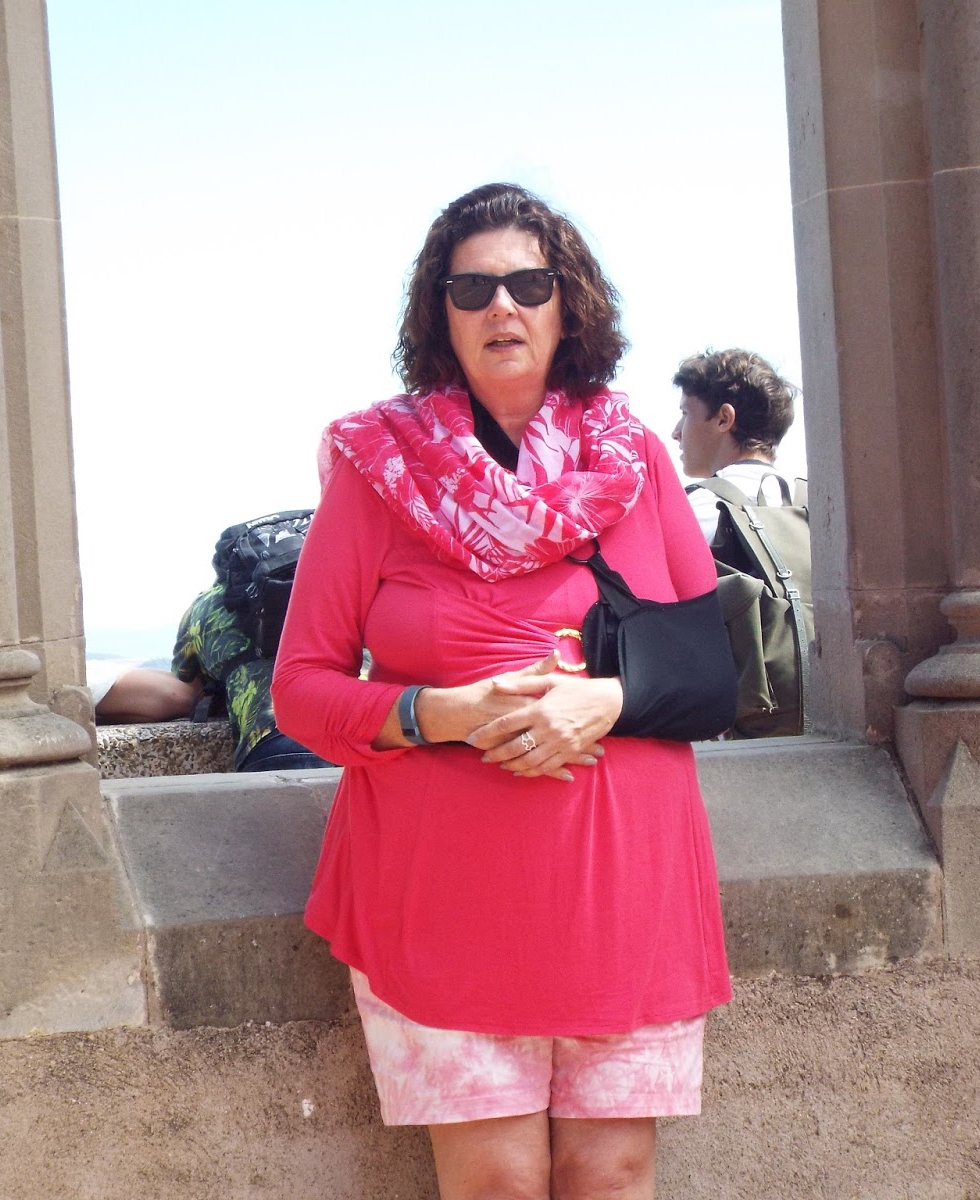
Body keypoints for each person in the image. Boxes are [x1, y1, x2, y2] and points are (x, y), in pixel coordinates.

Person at [272, 182, 731, 1200]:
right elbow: (299, 689)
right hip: (442, 894)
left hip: (623, 890)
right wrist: (436, 714)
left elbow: (710, 674)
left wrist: (605, 701)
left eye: (527, 284)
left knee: (612, 1174)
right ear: (439, 314)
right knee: (498, 1183)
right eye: (471, 289)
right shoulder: (376, 468)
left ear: (569, 303)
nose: (501, 307)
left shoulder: (636, 459)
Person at [174, 583, 331, 772]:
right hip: (348, 732)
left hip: (272, 741)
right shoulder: (327, 587)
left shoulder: (205, 606)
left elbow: (185, 683)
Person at [670, 348, 799, 542]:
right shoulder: (808, 505)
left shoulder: (694, 511)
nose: (676, 433)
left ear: (724, 419)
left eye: (685, 413)